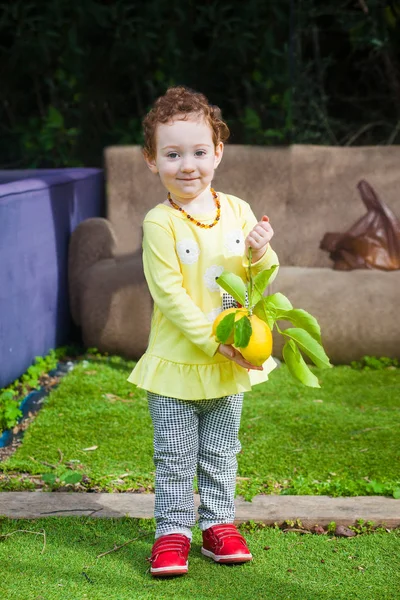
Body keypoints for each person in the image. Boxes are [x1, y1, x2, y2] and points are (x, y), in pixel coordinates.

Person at [127, 86, 279, 577]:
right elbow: (169, 296)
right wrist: (217, 342)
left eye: (198, 152)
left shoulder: (237, 210)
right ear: (153, 160)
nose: (186, 165)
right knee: (175, 454)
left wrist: (259, 252)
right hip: (179, 361)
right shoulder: (160, 223)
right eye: (172, 154)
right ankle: (172, 532)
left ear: (217, 152)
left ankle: (218, 524)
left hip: (230, 359)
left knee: (221, 449)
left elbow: (257, 282)